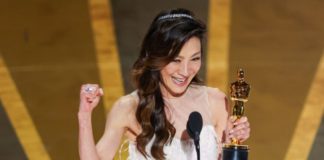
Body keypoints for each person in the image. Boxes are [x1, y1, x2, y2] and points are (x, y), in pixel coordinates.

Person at [78, 8, 250, 160]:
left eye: (195, 59)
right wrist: (84, 117)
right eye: (176, 60)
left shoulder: (216, 102)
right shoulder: (129, 107)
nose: (185, 70)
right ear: (155, 57)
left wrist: (233, 145)